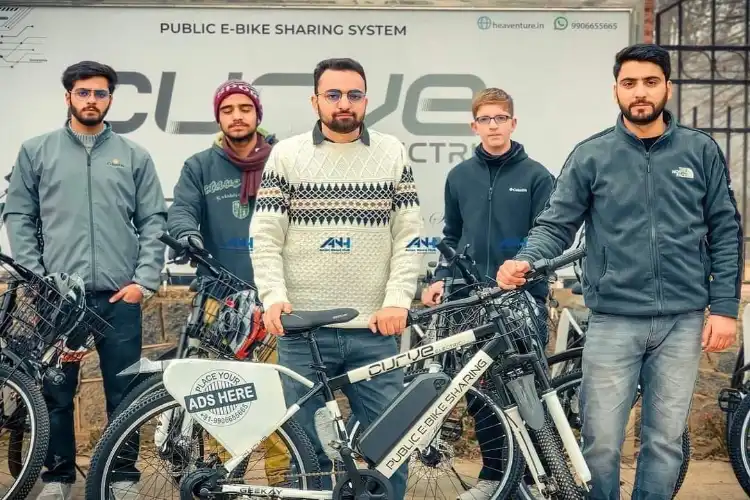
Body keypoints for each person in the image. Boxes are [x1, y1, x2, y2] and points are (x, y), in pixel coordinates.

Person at [496, 43, 743, 499]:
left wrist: (724, 307)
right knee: (601, 444)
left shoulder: (699, 150)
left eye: (651, 82)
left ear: (667, 86)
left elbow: (727, 231)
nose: (640, 92)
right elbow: (557, 224)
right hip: (613, 320)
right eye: (629, 83)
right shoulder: (592, 155)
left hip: (683, 320)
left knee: (665, 443)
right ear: (616, 91)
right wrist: (527, 259)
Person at [250, 57, 422, 499]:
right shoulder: (286, 156)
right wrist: (273, 297)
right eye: (333, 94)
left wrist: (399, 300)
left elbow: (409, 237)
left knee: (393, 446)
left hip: (374, 330)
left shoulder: (392, 152)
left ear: (366, 100)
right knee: (305, 453)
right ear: (315, 100)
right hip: (302, 332)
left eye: (354, 94)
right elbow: (265, 236)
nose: (344, 103)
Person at [3, 60, 167, 500]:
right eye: (83, 93)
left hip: (120, 297)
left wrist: (143, 281)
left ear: (110, 98)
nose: (91, 100)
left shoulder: (134, 156)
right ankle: (57, 479)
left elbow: (154, 220)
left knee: (125, 392)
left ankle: (123, 478)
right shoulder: (37, 151)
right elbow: (19, 214)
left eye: (99, 93)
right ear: (68, 97)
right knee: (55, 392)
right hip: (60, 300)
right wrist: (38, 278)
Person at [421, 87, 554, 500]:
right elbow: (451, 235)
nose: (493, 126)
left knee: (526, 390)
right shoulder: (459, 177)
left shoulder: (537, 176)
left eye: (501, 118)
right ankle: (494, 477)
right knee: (480, 395)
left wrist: (531, 286)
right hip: (470, 299)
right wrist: (442, 276)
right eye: (485, 119)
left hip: (520, 298)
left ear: (513, 123)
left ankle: (535, 480)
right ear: (473, 125)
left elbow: (548, 236)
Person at [166, 78, 290, 485]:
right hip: (220, 298)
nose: (237, 116)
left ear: (257, 115)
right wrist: (187, 235)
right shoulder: (200, 165)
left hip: (275, 298)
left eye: (244, 109)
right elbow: (181, 210)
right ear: (218, 117)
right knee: (223, 395)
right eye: (227, 110)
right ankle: (223, 479)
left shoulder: (284, 160)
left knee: (277, 393)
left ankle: (284, 479)